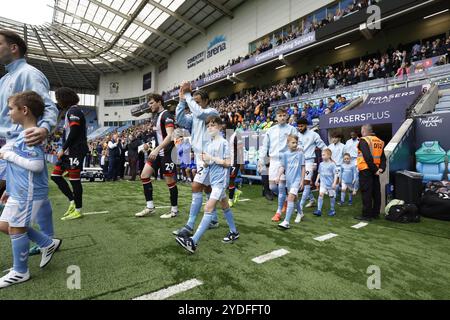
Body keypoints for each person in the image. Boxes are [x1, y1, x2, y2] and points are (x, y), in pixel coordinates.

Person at [0, 30, 58, 256]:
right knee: (32, 197)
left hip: (21, 145)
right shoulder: (4, 79)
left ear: (13, 48)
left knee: (30, 195)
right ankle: (47, 240)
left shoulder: (30, 73)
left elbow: (48, 107)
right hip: (7, 146)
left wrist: (44, 128)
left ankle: (46, 241)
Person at [0, 91, 61, 288]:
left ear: (24, 110)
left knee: (16, 228)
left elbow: (37, 165)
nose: (8, 113)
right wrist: (8, 189)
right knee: (4, 225)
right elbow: (17, 169)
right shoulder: (22, 134)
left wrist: (9, 155)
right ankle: (47, 243)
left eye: (11, 109)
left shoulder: (30, 135)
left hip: (29, 192)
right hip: (18, 191)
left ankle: (20, 271)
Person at [176, 116, 239, 253]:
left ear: (220, 126)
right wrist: (205, 161)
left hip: (220, 181)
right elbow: (210, 162)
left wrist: (212, 159)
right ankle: (234, 231)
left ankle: (193, 241)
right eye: (208, 125)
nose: (210, 127)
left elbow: (228, 163)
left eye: (213, 125)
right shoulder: (209, 144)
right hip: (214, 180)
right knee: (224, 205)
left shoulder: (223, 143)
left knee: (209, 208)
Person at [173, 83, 220, 237]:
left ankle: (189, 226)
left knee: (195, 186)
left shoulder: (212, 112)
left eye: (198, 101)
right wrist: (181, 101)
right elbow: (180, 119)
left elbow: (200, 113)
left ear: (206, 101)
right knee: (207, 188)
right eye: (194, 101)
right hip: (200, 157)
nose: (195, 104)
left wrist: (187, 95)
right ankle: (214, 220)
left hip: (210, 157)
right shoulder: (194, 116)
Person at [135, 93, 178, 219]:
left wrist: (157, 148)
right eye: (149, 104)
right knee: (144, 175)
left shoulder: (166, 115)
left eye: (152, 103)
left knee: (169, 181)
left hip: (168, 153)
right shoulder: (156, 117)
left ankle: (174, 210)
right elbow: (159, 137)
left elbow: (170, 136)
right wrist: (149, 145)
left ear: (159, 102)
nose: (150, 106)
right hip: (158, 152)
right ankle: (150, 207)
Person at [51, 87, 88, 221]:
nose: (58, 102)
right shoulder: (70, 111)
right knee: (55, 176)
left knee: (74, 180)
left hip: (76, 151)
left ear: (64, 99)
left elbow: (74, 131)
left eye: (58, 99)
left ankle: (78, 210)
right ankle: (72, 201)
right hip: (69, 152)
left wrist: (63, 148)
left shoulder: (74, 110)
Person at [257, 107, 298, 222]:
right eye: (280, 116)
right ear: (276, 117)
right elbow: (265, 146)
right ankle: (286, 200)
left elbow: (298, 144)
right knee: (272, 187)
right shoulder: (270, 130)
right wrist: (261, 160)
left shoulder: (292, 129)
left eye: (284, 115)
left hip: (286, 160)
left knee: (280, 187)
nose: (282, 117)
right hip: (273, 161)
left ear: (287, 116)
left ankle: (278, 212)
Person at [296, 118, 327, 219]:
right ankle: (312, 200)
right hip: (299, 162)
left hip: (309, 161)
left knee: (306, 183)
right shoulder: (297, 135)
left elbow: (323, 146)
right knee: (301, 183)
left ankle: (300, 206)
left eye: (301, 126)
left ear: (306, 125)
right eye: (298, 126)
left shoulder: (314, 135)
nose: (300, 128)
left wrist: (329, 156)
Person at [355, 124, 386, 221]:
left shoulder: (364, 140)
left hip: (366, 169)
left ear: (364, 131)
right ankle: (375, 213)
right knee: (376, 192)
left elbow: (367, 157)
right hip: (375, 170)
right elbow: (383, 158)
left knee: (366, 192)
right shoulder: (380, 141)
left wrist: (375, 170)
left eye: (361, 131)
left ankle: (366, 215)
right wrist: (381, 169)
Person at [276, 134, 305, 229]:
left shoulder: (300, 153)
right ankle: (300, 213)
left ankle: (286, 221)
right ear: (288, 143)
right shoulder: (285, 154)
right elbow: (282, 166)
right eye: (293, 142)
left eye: (296, 142)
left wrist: (302, 180)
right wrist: (278, 176)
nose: (295, 144)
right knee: (295, 198)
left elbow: (303, 167)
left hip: (296, 180)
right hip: (289, 181)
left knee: (290, 198)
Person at [313, 148, 338, 216]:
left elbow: (336, 174)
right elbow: (319, 173)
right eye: (322, 155)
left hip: (330, 184)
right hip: (323, 184)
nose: (322, 156)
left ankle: (332, 210)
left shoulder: (332, 164)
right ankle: (319, 210)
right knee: (321, 194)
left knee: (331, 196)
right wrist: (316, 180)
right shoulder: (321, 164)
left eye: (324, 155)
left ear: (329, 155)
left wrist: (334, 183)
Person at [228, 129, 243, 207]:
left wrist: (241, 163)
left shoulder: (236, 135)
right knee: (225, 181)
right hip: (228, 161)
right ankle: (236, 191)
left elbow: (240, 150)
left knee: (231, 180)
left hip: (235, 162)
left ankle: (230, 200)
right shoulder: (225, 135)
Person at [328, 133, 345, 199]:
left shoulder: (343, 146)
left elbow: (345, 156)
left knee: (337, 181)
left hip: (339, 166)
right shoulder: (330, 146)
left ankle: (335, 195)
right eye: (333, 138)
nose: (334, 139)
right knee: (332, 181)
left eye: (335, 138)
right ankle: (336, 193)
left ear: (339, 138)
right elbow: (328, 155)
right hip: (331, 166)